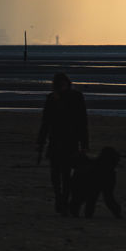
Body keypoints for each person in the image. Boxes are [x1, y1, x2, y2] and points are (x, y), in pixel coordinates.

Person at [36, 72, 89, 215]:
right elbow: (46, 122)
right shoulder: (52, 99)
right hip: (56, 141)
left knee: (65, 174)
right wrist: (41, 141)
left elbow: (82, 122)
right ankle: (60, 199)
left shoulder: (75, 97)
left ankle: (63, 201)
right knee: (56, 174)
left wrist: (84, 144)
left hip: (69, 142)